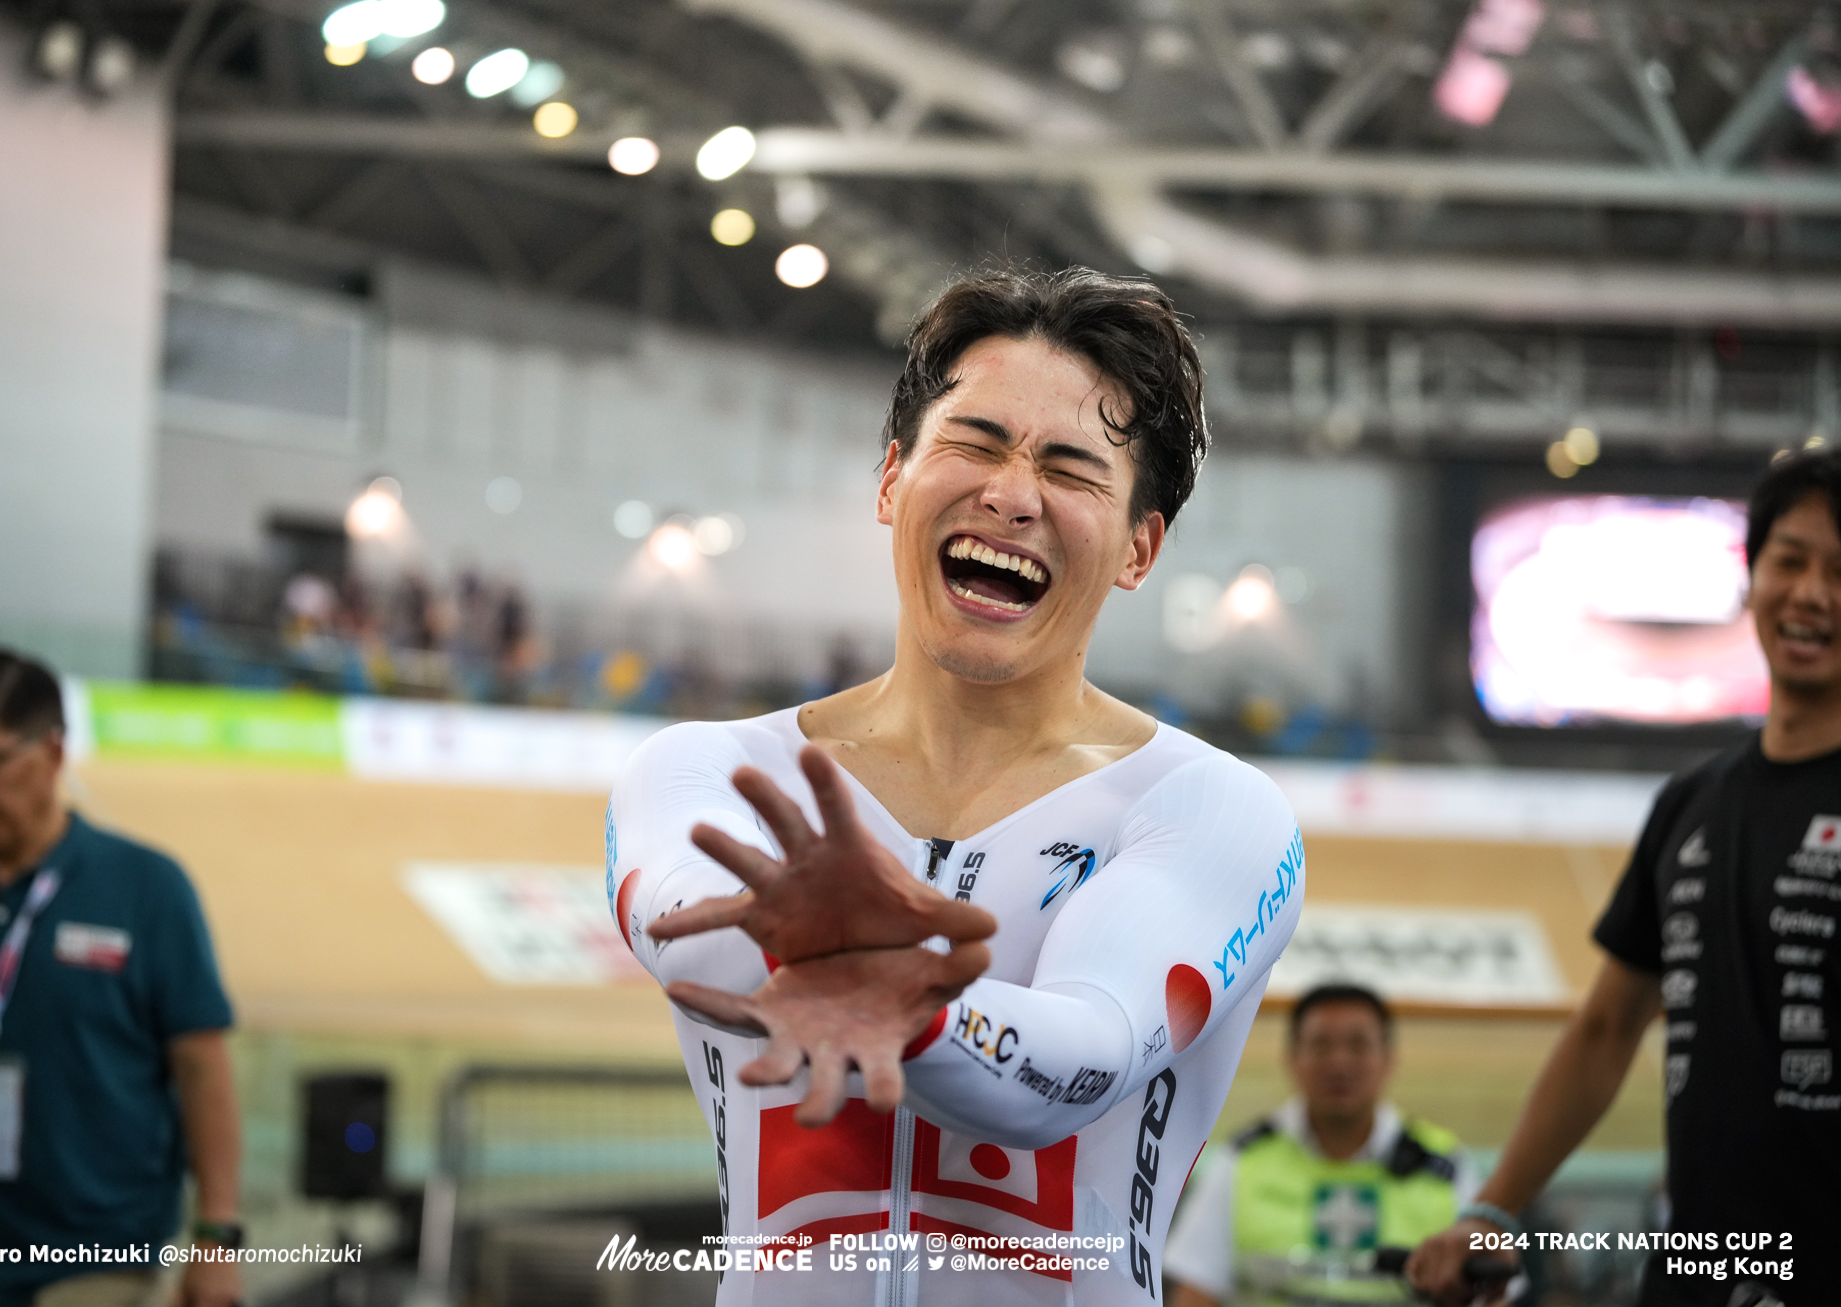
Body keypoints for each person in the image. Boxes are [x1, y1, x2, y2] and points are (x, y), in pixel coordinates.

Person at [606, 267, 1307, 1306]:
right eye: (974, 442)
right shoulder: (703, 768)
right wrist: (845, 952)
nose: (1011, 494)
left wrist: (912, 1003)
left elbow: (1088, 1051)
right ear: (891, 479)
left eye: (1069, 468)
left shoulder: (1208, 808)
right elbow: (685, 928)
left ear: (1137, 548)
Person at [1409, 448, 1841, 1307]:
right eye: (1789, 560)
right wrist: (1494, 1209)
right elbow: (1606, 1028)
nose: (1812, 593)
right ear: (1750, 579)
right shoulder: (1691, 804)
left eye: (1840, 571)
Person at [0, 649, 243, 1307]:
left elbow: (202, 1067)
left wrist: (217, 1236)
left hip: (99, 1252)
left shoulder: (147, 888)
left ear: (51, 752)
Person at [1162, 984, 1474, 1306]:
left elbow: (1490, 1296)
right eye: (1321, 1045)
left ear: (1388, 1058)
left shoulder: (1445, 1168)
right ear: (1292, 1058)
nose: (1339, 1063)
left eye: (1358, 1045)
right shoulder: (1243, 1159)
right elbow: (1195, 1291)